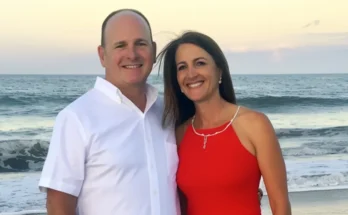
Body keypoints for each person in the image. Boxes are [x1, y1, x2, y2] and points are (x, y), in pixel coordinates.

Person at [38, 9, 180, 215]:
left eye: (140, 43)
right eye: (120, 45)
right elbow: (58, 202)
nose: (132, 54)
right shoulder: (77, 118)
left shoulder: (167, 112)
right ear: (103, 55)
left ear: (153, 50)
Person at [157, 31, 291, 215]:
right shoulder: (179, 134)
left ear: (219, 70)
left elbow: (280, 204)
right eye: (182, 67)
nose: (191, 74)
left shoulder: (254, 125)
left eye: (200, 63)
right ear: (177, 80)